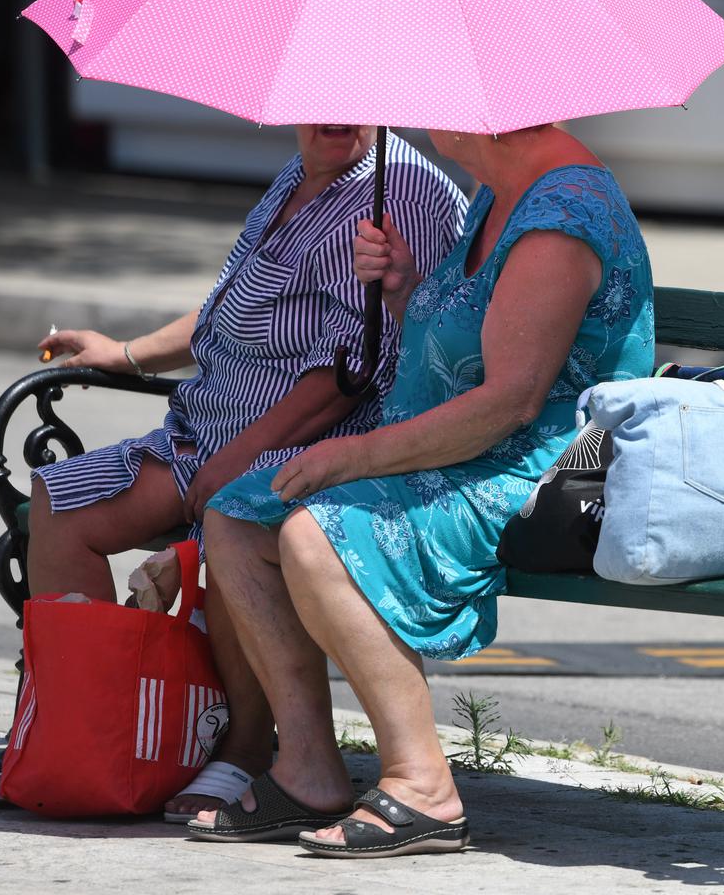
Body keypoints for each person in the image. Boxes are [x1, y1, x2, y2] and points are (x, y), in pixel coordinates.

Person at [190, 123, 653, 857]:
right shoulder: (498, 192)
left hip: (532, 472)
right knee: (239, 515)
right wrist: (405, 289)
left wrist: (353, 455)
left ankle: (422, 785)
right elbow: (460, 353)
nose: (419, 111)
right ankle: (307, 767)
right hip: (456, 449)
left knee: (315, 536)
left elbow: (510, 404)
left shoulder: (561, 218)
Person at [25, 124, 468, 820]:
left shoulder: (396, 190)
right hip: (202, 432)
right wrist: (127, 353)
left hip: (301, 446)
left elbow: (352, 373)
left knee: (239, 511)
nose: (335, 115)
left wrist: (236, 460)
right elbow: (230, 309)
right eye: (317, 95)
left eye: (354, 97)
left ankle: (246, 749)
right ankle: (82, 729)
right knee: (59, 503)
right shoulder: (298, 175)